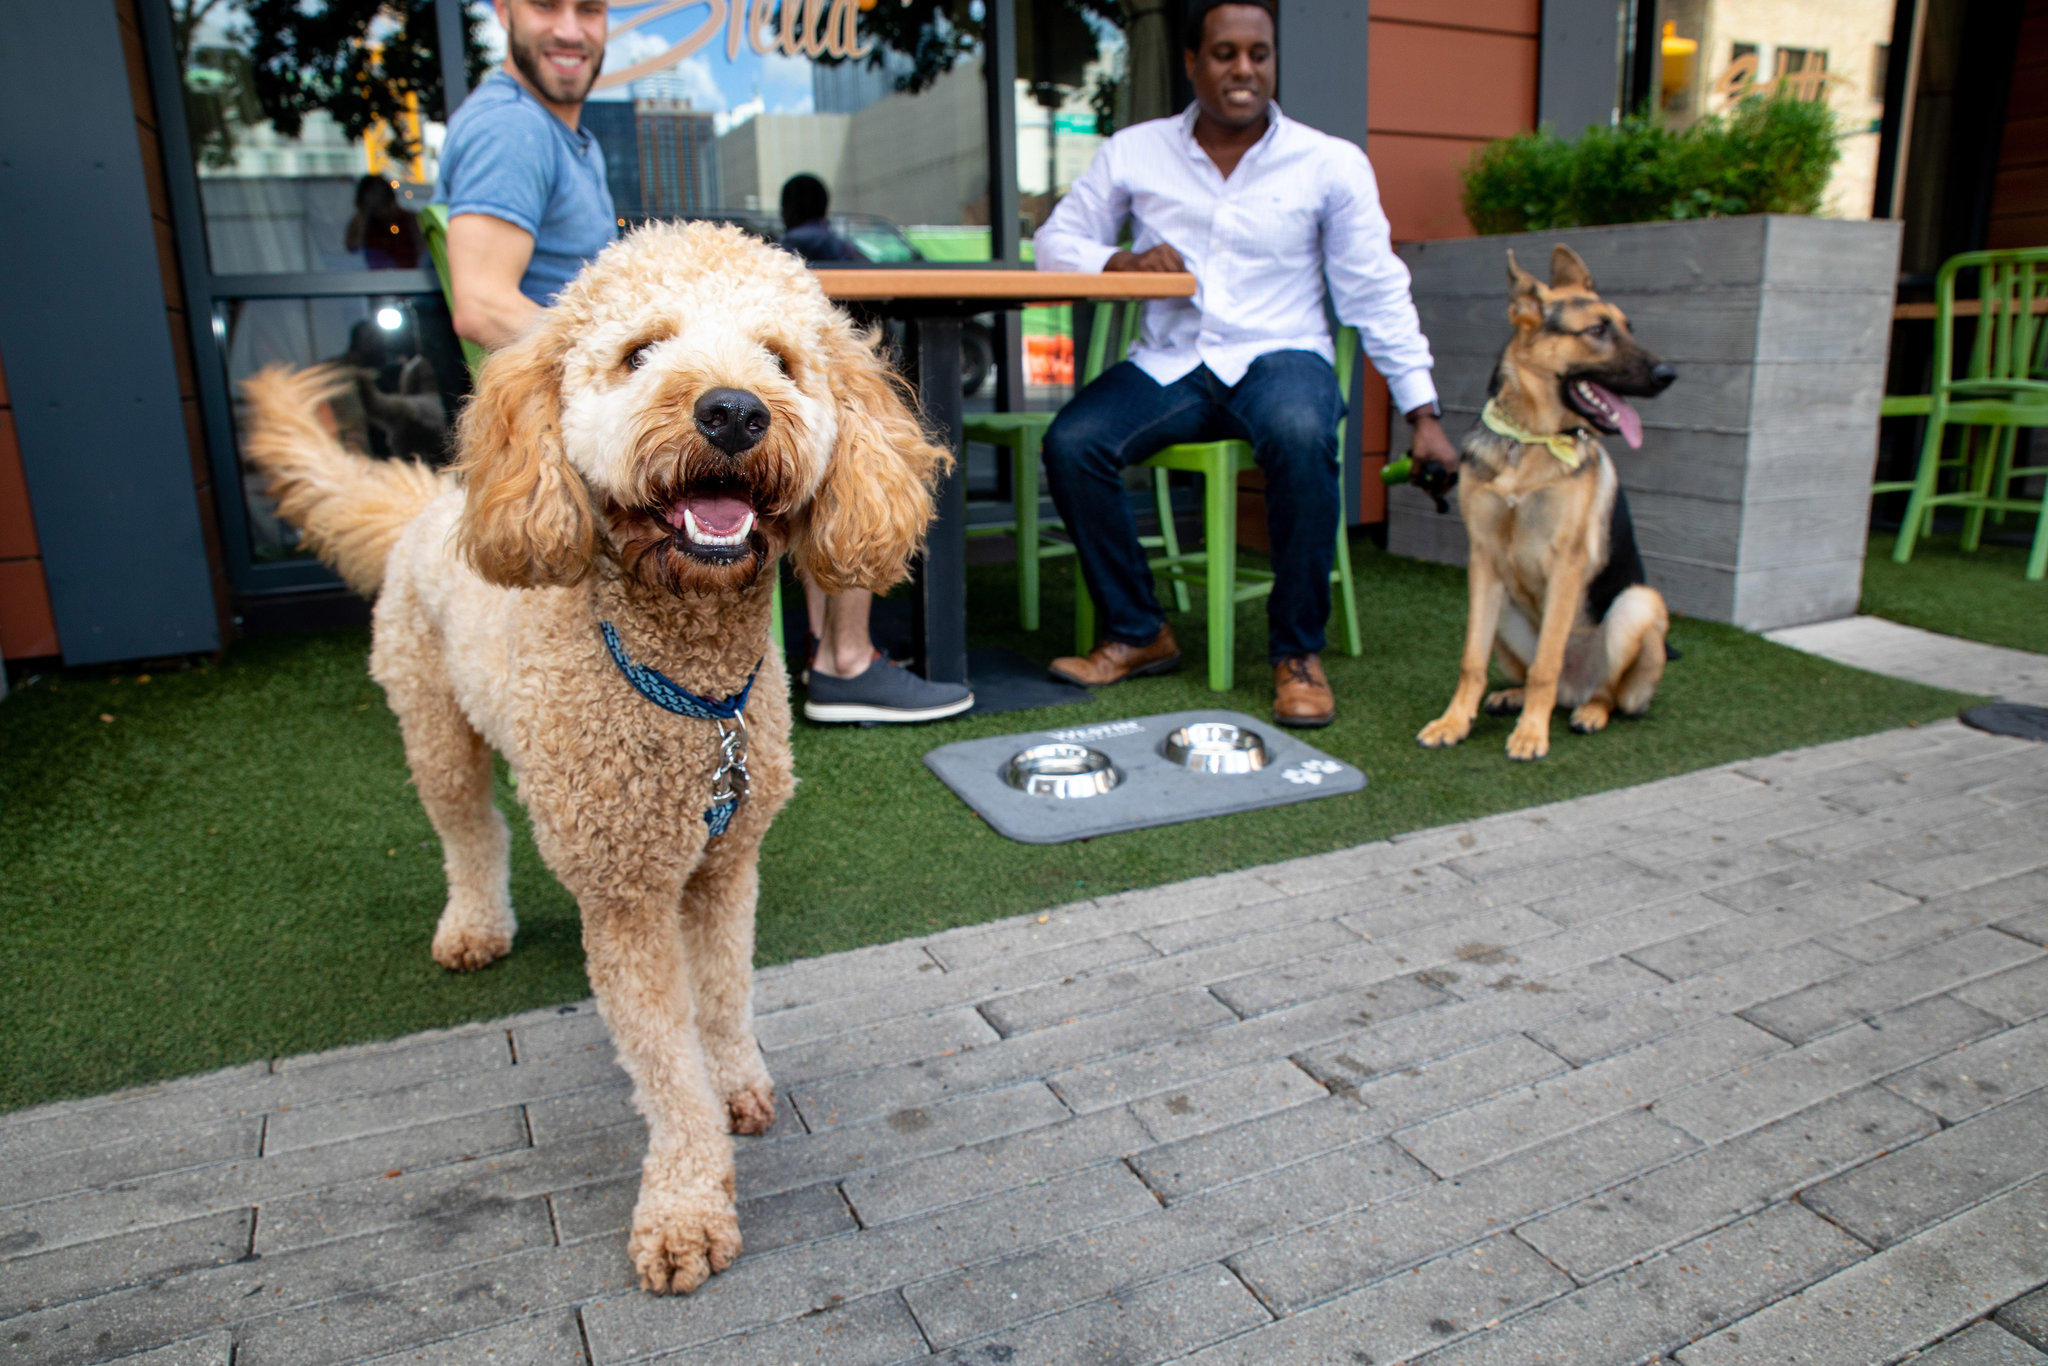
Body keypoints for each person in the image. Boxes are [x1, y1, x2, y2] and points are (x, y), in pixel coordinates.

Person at [1033, 0, 1461, 728]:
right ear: (1194, 62)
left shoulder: (1329, 162)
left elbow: (1376, 291)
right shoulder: (1135, 151)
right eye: (1225, 53)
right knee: (1073, 443)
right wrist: (1123, 259)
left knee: (1298, 431)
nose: (1243, 69)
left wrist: (1424, 414)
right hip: (1174, 361)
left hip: (1280, 353)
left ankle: (1297, 654)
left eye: (1257, 54)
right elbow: (1055, 241)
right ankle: (1140, 632)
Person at [774, 173, 975, 725]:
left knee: (828, 441)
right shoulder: (823, 245)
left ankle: (823, 649)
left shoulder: (784, 248)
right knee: (863, 446)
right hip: (801, 399)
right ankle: (848, 660)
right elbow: (862, 278)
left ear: (788, 209)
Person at [436, 0, 616, 350]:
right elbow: (482, 307)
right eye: (545, 6)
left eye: (588, 10)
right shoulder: (511, 127)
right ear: (503, 11)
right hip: (546, 398)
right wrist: (609, 363)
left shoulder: (573, 140)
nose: (569, 31)